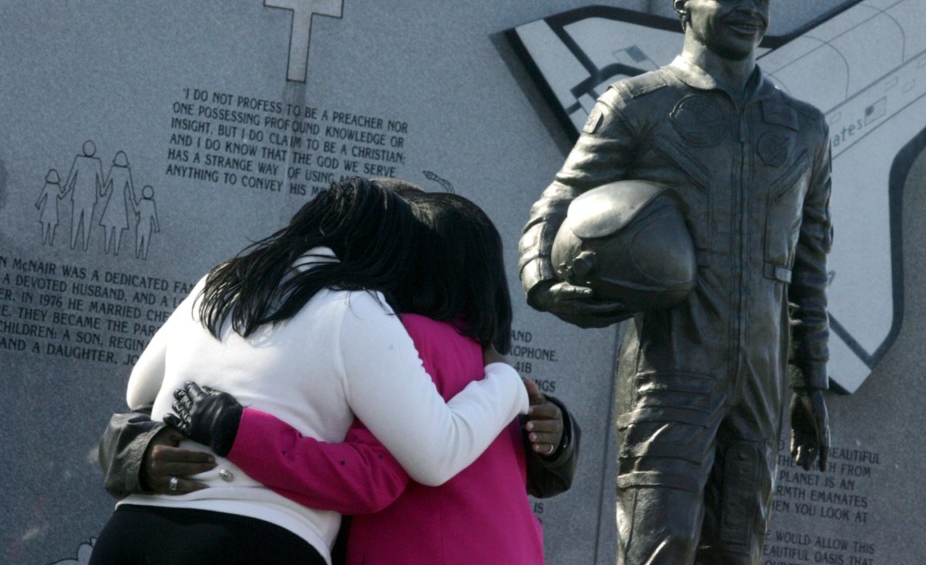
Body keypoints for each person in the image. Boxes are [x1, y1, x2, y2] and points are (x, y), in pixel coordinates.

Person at [518, 0, 831, 564]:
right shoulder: (640, 104)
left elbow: (809, 268)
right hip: (670, 374)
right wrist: (545, 282)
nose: (750, 8)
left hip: (762, 386)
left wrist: (810, 384)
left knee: (737, 555)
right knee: (659, 551)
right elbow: (552, 209)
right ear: (685, 2)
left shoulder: (804, 128)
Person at [98, 191, 579, 565]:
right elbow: (399, 469)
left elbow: (140, 393)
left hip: (140, 529)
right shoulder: (375, 322)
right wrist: (510, 385)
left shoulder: (222, 281)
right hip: (262, 539)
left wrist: (218, 431)